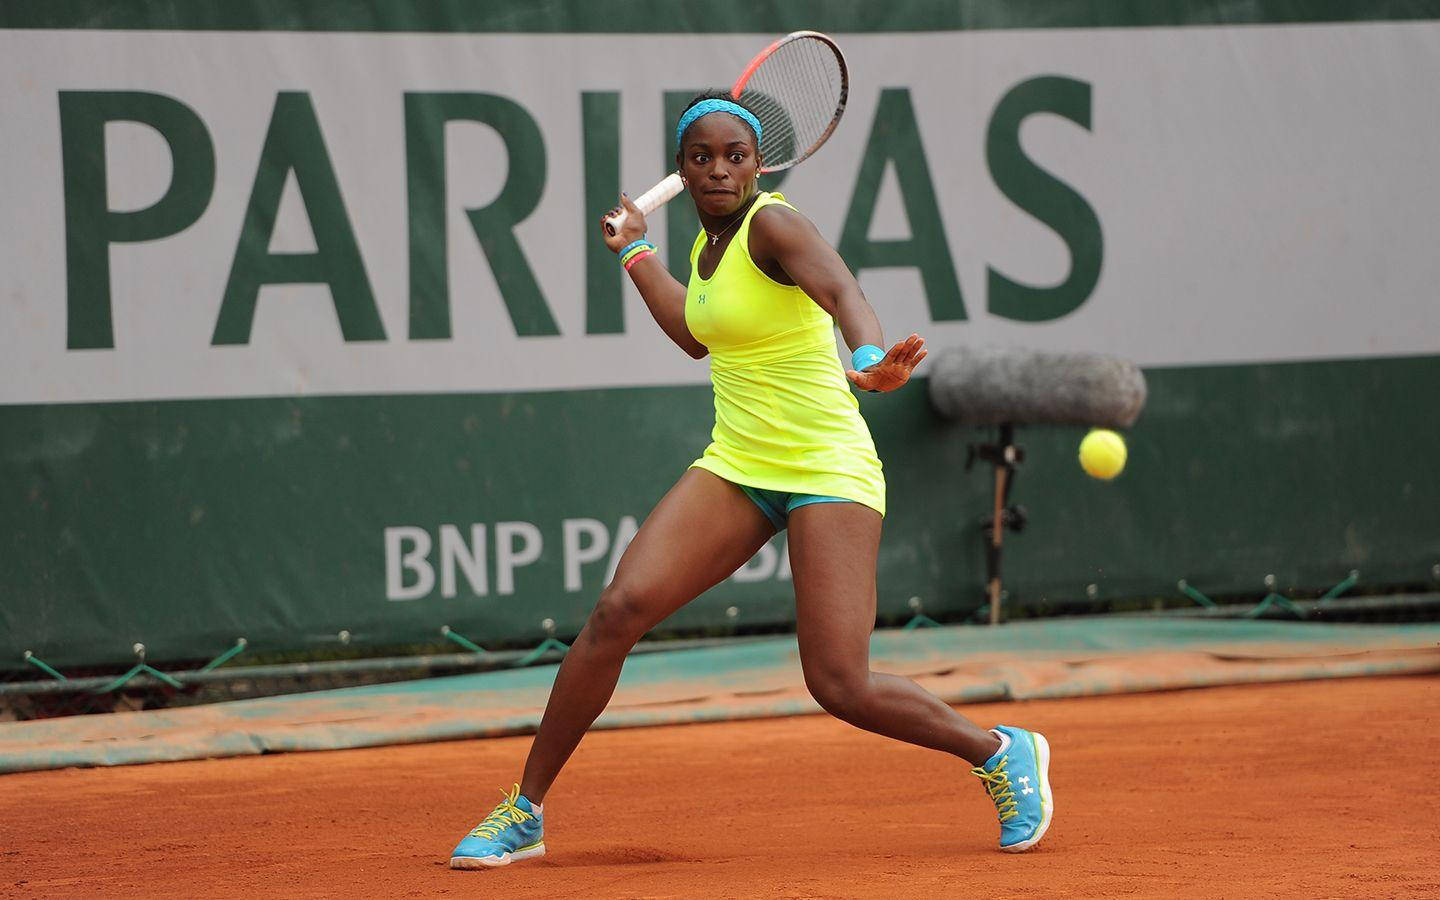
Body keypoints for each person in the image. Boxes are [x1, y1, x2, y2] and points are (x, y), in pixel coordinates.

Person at [449, 91, 1053, 869]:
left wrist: (868, 360)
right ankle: (524, 811)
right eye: (702, 157)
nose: (719, 169)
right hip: (738, 464)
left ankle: (999, 751)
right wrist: (635, 252)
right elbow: (696, 337)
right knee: (617, 611)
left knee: (839, 682)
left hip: (826, 466)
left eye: (736, 155)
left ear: (758, 163)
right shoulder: (706, 253)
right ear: (683, 169)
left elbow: (844, 294)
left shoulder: (774, 222)